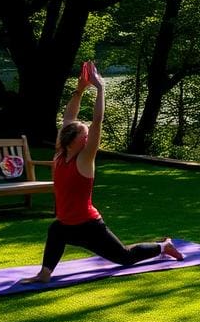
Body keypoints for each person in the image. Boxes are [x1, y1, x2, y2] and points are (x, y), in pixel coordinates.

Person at [21, 61, 183, 284]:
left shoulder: (85, 160)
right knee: (56, 230)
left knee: (124, 257)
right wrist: (79, 90)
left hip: (89, 227)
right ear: (71, 139)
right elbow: (69, 117)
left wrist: (100, 88)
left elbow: (97, 121)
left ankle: (163, 246)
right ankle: (44, 274)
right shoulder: (60, 154)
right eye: (84, 135)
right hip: (66, 224)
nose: (88, 138)